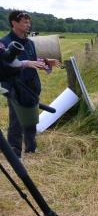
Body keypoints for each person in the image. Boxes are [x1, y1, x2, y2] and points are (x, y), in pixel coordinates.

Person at [0, 10, 60, 158]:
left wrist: (46, 62)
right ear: (14, 23)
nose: (28, 24)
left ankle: (31, 149)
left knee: (31, 118)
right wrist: (25, 64)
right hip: (15, 86)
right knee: (17, 120)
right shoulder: (4, 42)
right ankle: (15, 153)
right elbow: (4, 64)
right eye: (25, 22)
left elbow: (32, 59)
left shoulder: (30, 43)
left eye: (29, 22)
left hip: (32, 86)